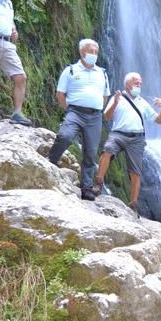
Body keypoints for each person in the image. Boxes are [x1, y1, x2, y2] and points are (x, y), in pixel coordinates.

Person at [92, 73, 161, 217]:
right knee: (107, 150)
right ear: (127, 84)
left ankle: (133, 204)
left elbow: (159, 121)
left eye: (140, 82)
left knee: (135, 171)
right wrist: (115, 103)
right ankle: (98, 184)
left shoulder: (143, 102)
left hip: (137, 138)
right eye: (135, 82)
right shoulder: (117, 97)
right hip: (118, 134)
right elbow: (107, 117)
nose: (139, 84)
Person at [47, 39, 110, 201]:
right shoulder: (71, 71)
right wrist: (68, 109)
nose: (94, 55)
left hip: (95, 116)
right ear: (82, 52)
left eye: (96, 52)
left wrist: (97, 107)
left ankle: (86, 188)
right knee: (65, 136)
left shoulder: (102, 73)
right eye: (91, 51)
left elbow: (105, 95)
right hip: (75, 112)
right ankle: (50, 161)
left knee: (90, 152)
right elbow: (60, 94)